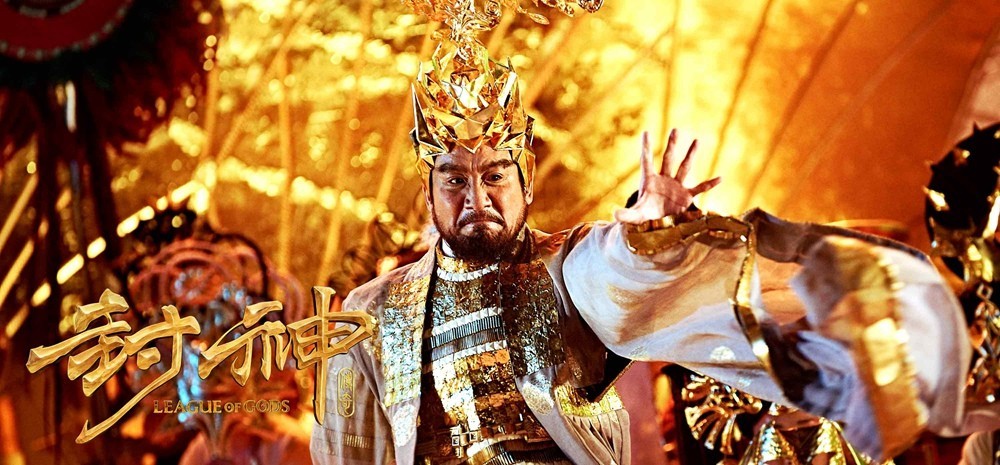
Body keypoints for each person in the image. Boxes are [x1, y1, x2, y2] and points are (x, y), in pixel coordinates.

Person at [310, 3, 970, 464]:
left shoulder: (561, 269)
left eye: (495, 175)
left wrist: (648, 235)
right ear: (427, 187)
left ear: (527, 178)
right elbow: (345, 450)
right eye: (454, 178)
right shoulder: (371, 313)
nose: (476, 198)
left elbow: (617, 272)